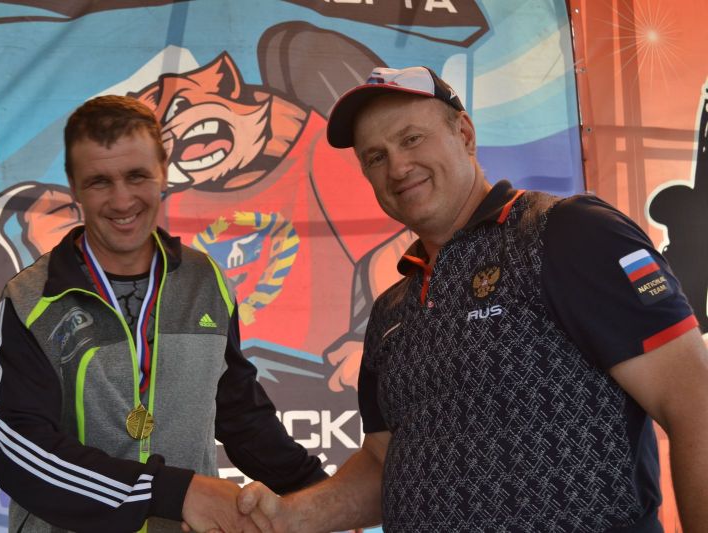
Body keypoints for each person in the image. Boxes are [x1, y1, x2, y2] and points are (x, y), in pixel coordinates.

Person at [235, 66, 708, 531]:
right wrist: (290, 517)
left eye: (411, 139)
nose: (397, 167)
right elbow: (385, 465)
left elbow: (693, 404)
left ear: (464, 134)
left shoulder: (567, 232)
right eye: (375, 157)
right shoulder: (391, 310)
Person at [0, 95, 327, 533]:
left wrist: (318, 494)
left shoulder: (207, 282)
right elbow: (20, 450)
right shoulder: (32, 300)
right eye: (99, 182)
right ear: (73, 186)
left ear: (163, 172)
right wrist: (171, 492)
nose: (122, 200)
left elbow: (241, 415)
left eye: (136, 176)